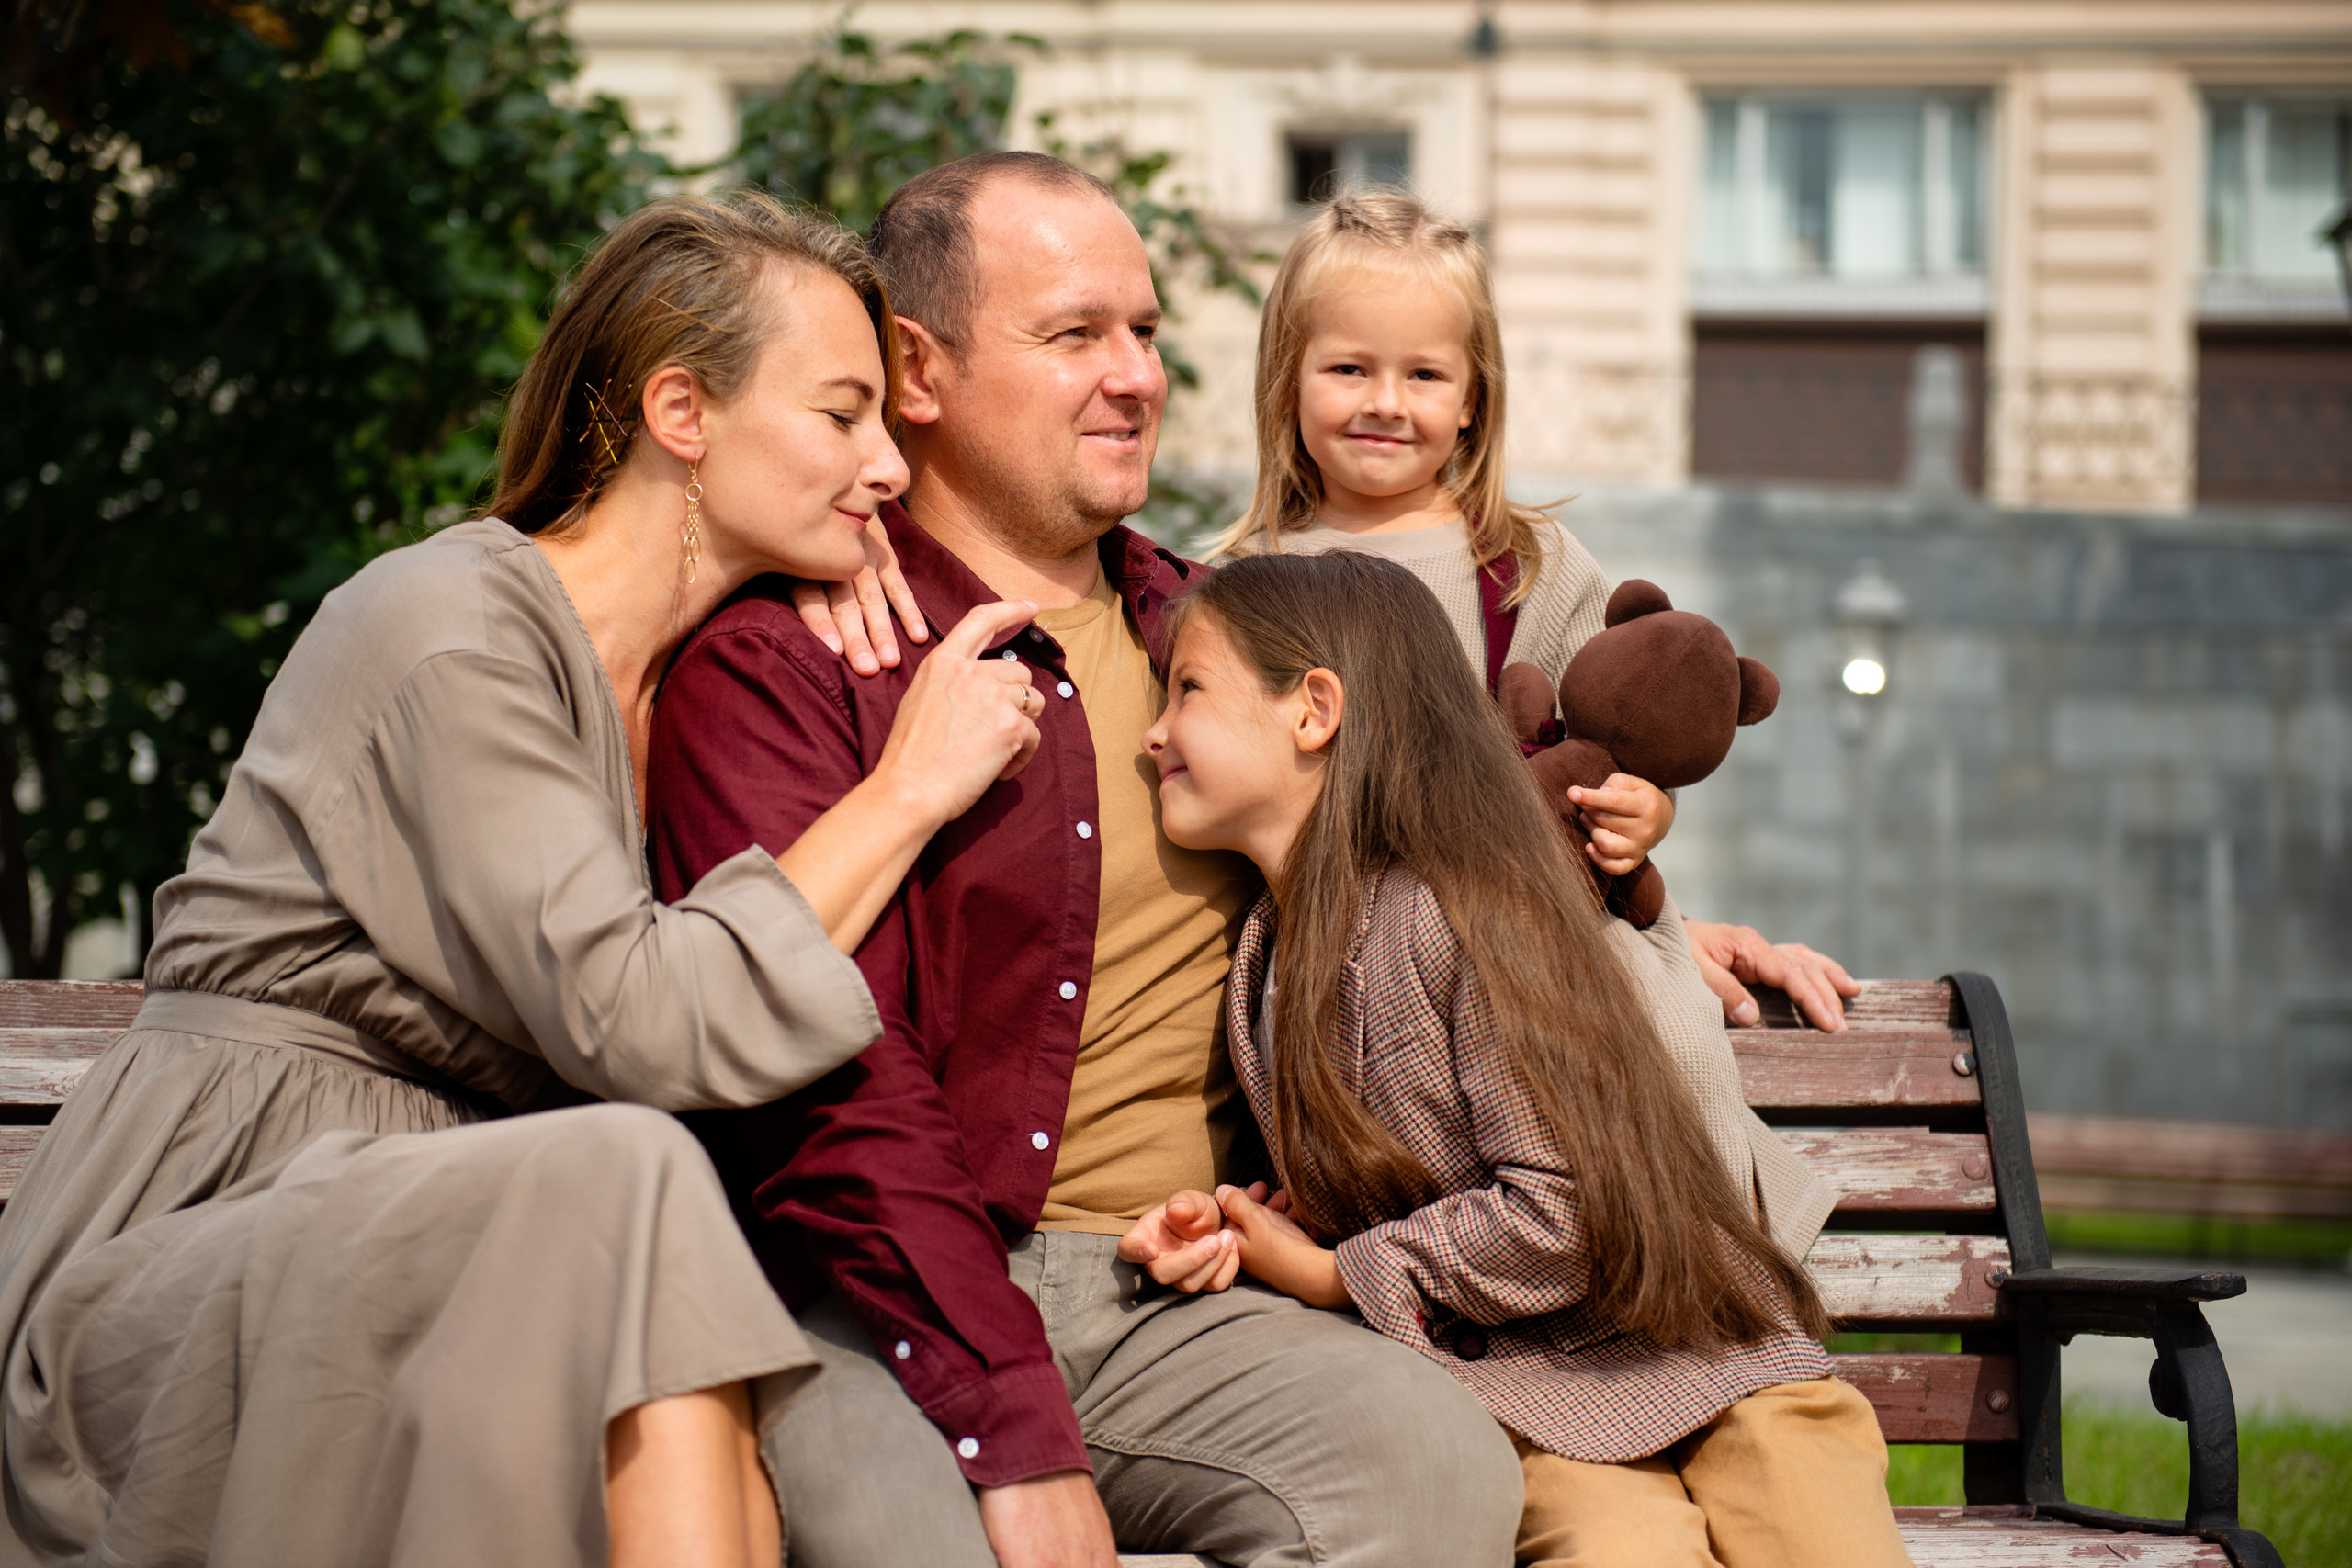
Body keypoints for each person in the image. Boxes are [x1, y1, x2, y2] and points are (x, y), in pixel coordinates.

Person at [0, 192, 1046, 1568]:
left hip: (500, 1255)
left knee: (653, 1263)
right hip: (199, 1257)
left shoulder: (694, 682)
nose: (889, 467)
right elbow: (642, 1016)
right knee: (628, 1177)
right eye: (841, 415)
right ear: (684, 412)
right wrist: (907, 787)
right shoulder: (447, 629)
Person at [649, 152, 1522, 1568]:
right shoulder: (790, 663)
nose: (1134, 376)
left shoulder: (1226, 631)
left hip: (1176, 1286)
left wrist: (1656, 911)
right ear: (916, 372)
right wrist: (1013, 1424)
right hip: (877, 1296)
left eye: (1148, 331)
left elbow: (1450, 868)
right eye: (1073, 337)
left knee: (1431, 1474)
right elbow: (822, 1089)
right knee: (907, 1542)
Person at [1126, 549, 1914, 1568]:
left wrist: (1336, 1275)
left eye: (1186, 689)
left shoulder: (1447, 910)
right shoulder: (1266, 958)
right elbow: (1399, 1157)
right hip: (1522, 1395)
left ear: (1313, 710)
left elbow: (1567, 1201)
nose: (1152, 734)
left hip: (1708, 1354)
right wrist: (1252, 1224)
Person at [1216, 189, 1860, 1039]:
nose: (1385, 401)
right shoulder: (1240, 582)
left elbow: (1620, 751)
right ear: (1288, 377)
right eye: (1348, 368)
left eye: (1424, 374)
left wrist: (1645, 815)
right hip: (1332, 992)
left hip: (1521, 973)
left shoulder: (1526, 567)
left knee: (1663, 1051)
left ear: (1473, 396)